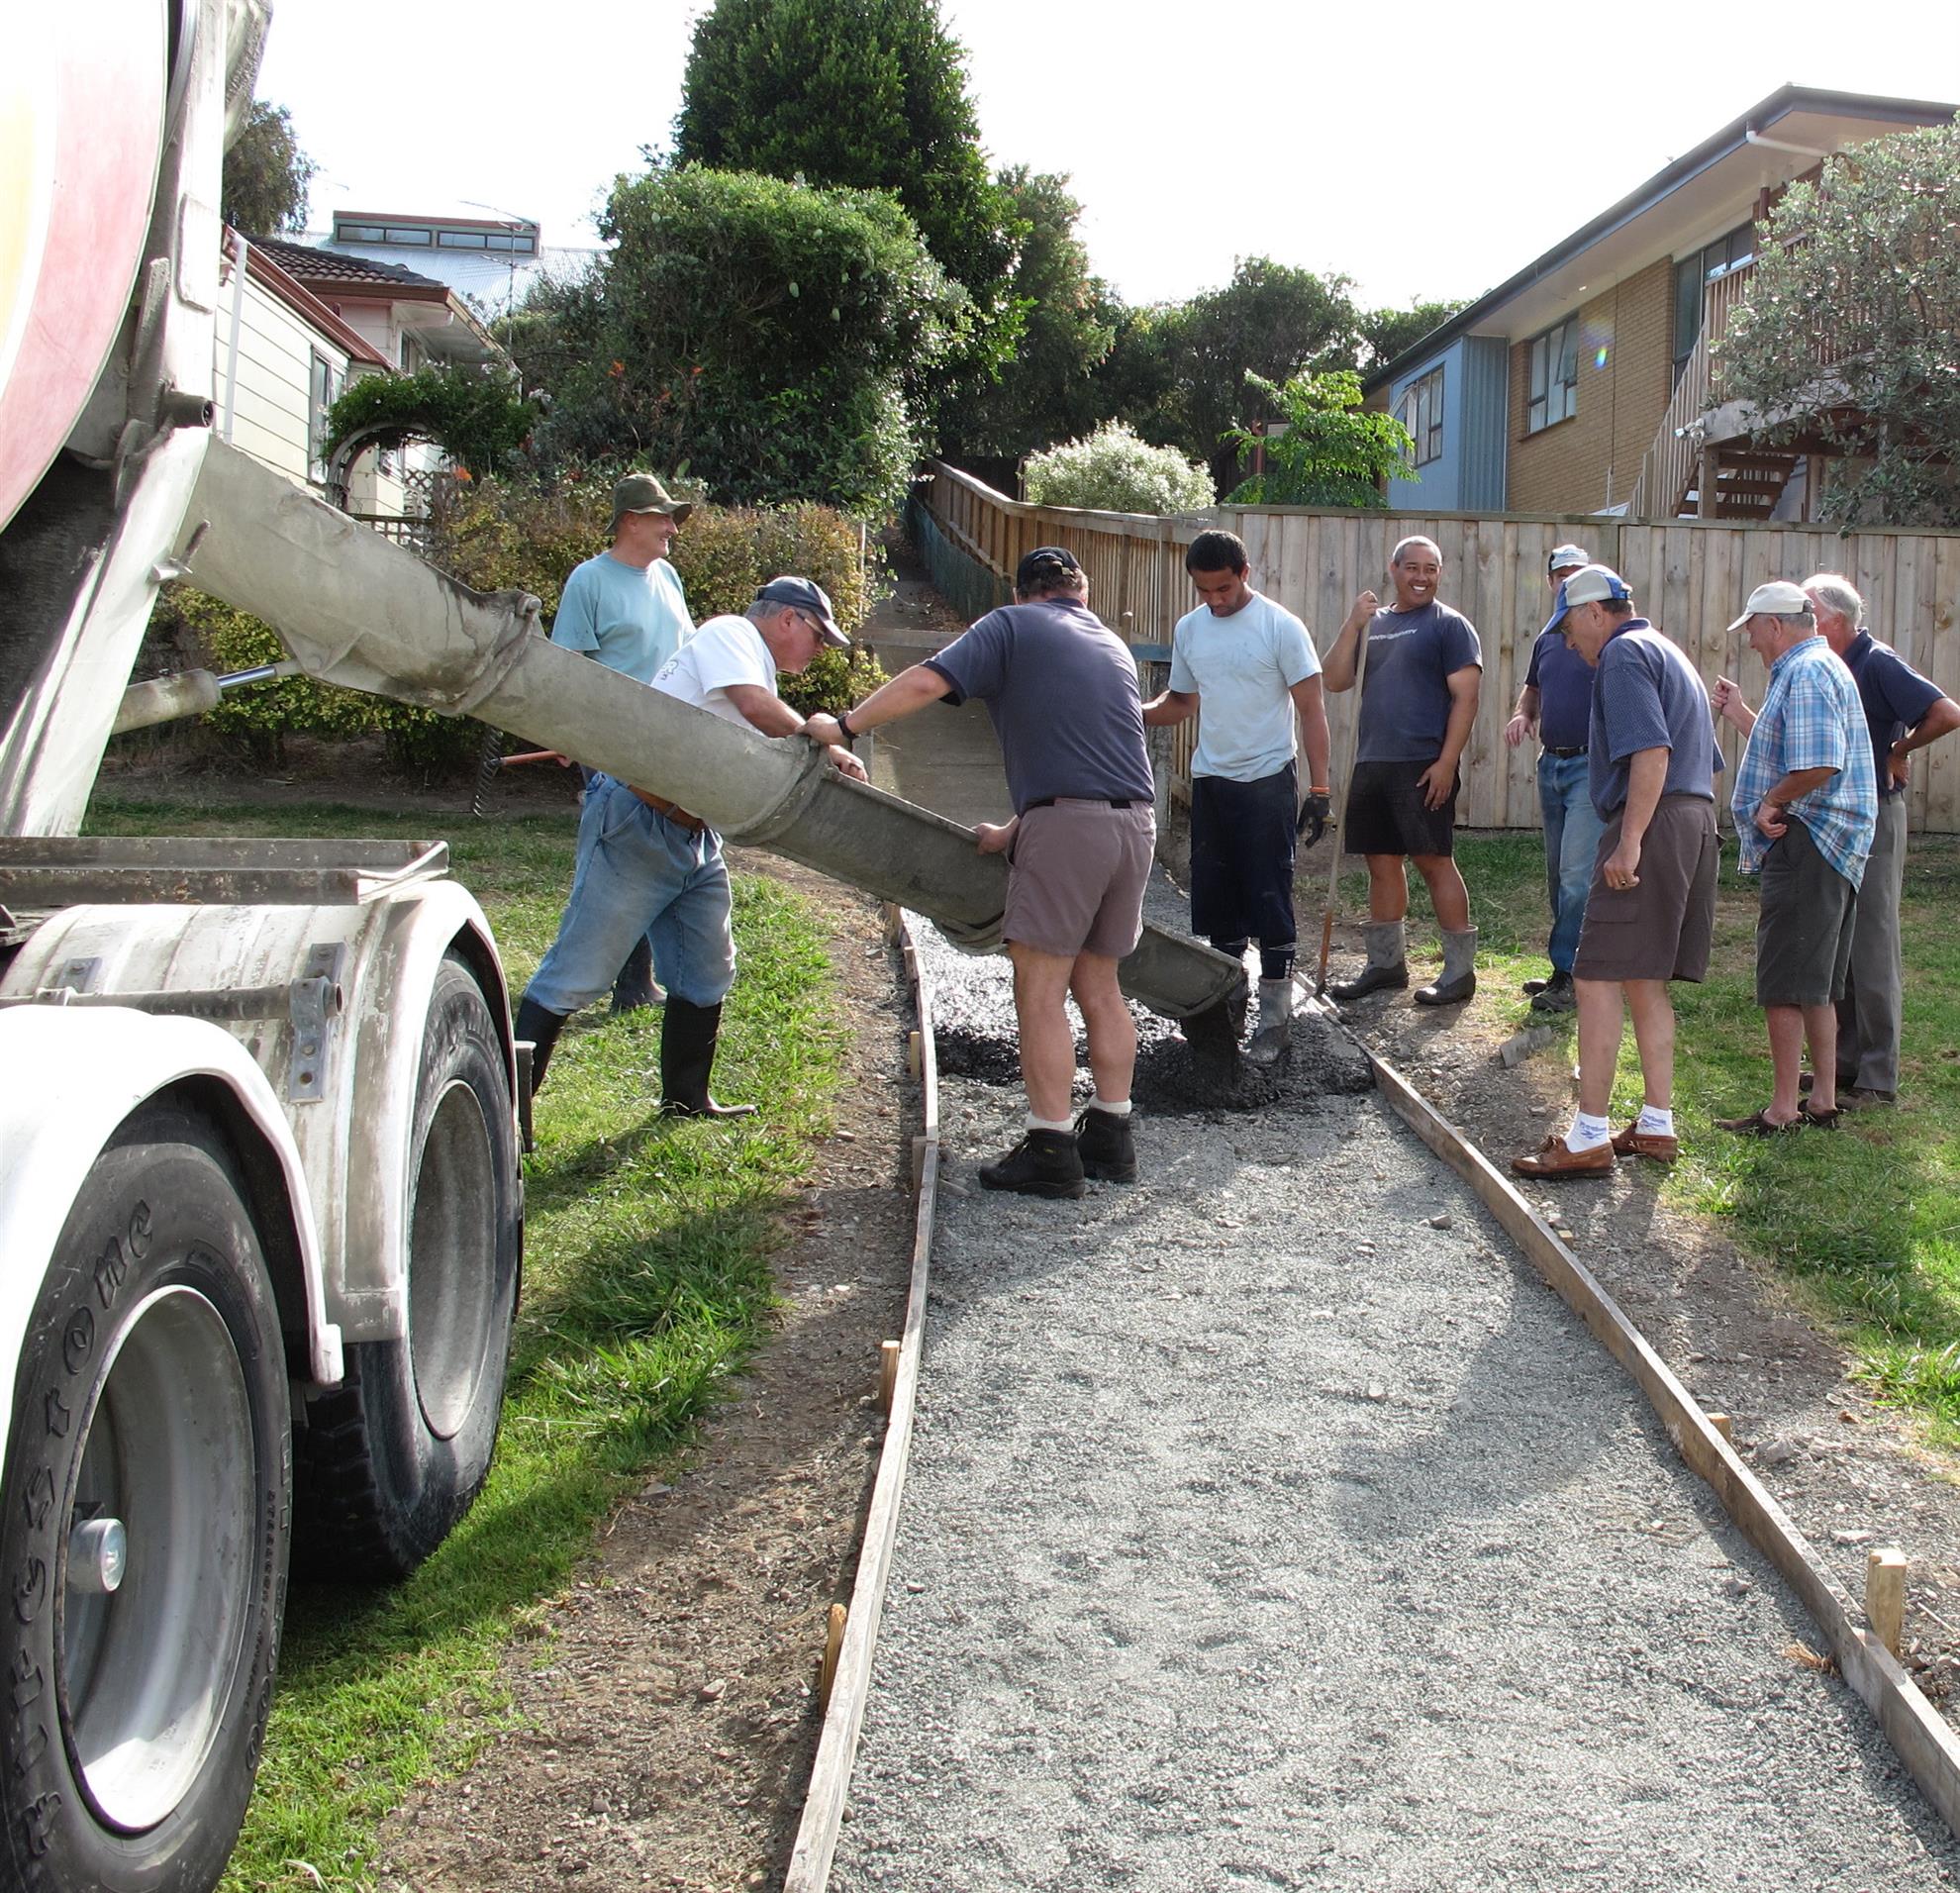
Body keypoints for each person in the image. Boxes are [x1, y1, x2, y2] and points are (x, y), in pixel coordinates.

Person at [804, 546, 1155, 1199]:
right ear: (1081, 593)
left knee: (1040, 989)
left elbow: (925, 682)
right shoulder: (1109, 644)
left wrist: (845, 726)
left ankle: (1051, 1149)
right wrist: (1017, 828)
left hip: (1068, 830)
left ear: (1021, 593)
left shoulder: (1011, 625)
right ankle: (1112, 1137)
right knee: (1101, 986)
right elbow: (1094, 758)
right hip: (1134, 827)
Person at [514, 576, 866, 1117]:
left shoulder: (753, 661)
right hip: (638, 820)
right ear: (787, 619)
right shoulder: (732, 634)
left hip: (694, 834)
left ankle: (686, 1100)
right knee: (577, 973)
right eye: (819, 636)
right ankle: (505, 1112)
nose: (820, 650)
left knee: (706, 971)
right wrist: (824, 744)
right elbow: (755, 707)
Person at [1512, 567, 1721, 1178]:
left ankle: (1588, 1136)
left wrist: (1629, 842)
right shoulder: (1665, 649)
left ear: (1595, 613)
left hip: (1651, 822)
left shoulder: (1623, 655)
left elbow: (1652, 752)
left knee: (1595, 975)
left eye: (1569, 628)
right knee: (1643, 978)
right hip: (1691, 819)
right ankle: (1655, 1125)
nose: (1567, 642)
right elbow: (1706, 760)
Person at [1140, 530, 1330, 1063]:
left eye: (1223, 588)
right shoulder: (1191, 629)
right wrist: (1134, 712)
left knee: (1269, 895)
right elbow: (1181, 702)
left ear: (1244, 573)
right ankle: (1226, 1012)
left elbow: (1312, 709)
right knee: (1217, 900)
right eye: (1204, 591)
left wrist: (1319, 789)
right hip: (1213, 780)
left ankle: (1274, 1022)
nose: (1215, 600)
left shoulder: (1280, 627)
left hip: (1268, 778)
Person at [1709, 580, 1877, 1134]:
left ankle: (1783, 1110)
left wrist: (1772, 800)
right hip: (1831, 843)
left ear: (1776, 625)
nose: (1751, 641)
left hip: (1807, 838)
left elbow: (1821, 762)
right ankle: (1822, 1100)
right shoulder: (1821, 667)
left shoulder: (1805, 672)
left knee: (1784, 981)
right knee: (1819, 983)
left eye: (1754, 630)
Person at [1794, 574, 1958, 1105]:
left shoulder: (1877, 661)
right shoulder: (1827, 663)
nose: (1803, 622)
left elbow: (1946, 713)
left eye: (1810, 613)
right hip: (1838, 817)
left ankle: (1878, 1076)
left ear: (1836, 621)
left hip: (1877, 817)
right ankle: (1845, 1063)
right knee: (1841, 940)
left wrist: (1898, 750)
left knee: (1871, 942)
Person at [549, 471, 698, 1014]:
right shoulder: (589, 581)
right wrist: (566, 731)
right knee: (623, 862)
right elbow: (567, 665)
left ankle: (640, 981)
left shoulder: (668, 577)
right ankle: (616, 985)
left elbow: (687, 653)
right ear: (630, 522)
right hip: (613, 745)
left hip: (669, 742)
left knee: (659, 854)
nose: (672, 529)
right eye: (663, 518)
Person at [1322, 536, 1482, 1005]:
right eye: (1412, 567)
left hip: (1422, 763)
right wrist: (1353, 623)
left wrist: (1447, 762)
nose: (1421, 577)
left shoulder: (1450, 626)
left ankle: (1459, 973)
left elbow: (1467, 698)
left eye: (1431, 569)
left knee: (1434, 861)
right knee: (1381, 862)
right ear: (1394, 569)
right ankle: (1386, 965)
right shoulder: (1374, 624)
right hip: (1372, 760)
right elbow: (1335, 679)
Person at [1504, 544, 1604, 1014]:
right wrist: (1523, 714)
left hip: (1590, 766)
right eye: (1561, 575)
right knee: (1557, 872)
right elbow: (1533, 690)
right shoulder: (1546, 639)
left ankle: (1572, 974)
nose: (1568, 581)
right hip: (1552, 764)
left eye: (1577, 573)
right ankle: (1564, 968)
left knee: (1577, 876)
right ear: (1550, 582)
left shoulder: (1602, 637)